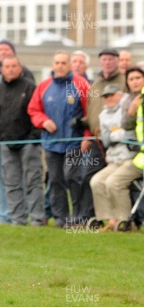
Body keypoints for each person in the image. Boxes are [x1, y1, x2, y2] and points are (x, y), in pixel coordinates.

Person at [28, 51, 90, 227]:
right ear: (52, 65)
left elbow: (90, 113)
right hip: (51, 143)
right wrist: (43, 121)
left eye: (64, 63)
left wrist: (87, 137)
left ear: (70, 65)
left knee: (73, 178)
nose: (60, 66)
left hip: (74, 142)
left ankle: (79, 217)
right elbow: (33, 110)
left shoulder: (81, 84)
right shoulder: (43, 86)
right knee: (55, 180)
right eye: (57, 63)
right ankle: (60, 218)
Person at [0, 39, 35, 224]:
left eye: (7, 50)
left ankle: (22, 215)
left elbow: (32, 110)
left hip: (23, 139)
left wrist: (30, 137)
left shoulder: (28, 80)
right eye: (0, 50)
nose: (4, 53)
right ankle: (4, 215)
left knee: (24, 178)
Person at [0, 56, 45, 226]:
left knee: (33, 181)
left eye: (14, 66)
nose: (10, 69)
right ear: (2, 69)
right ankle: (17, 219)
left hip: (29, 144)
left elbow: (37, 113)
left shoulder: (30, 88)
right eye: (7, 66)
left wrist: (33, 137)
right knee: (11, 182)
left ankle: (37, 218)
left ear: (20, 68)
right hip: (6, 145)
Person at [79, 48, 126, 221]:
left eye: (111, 59)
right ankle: (91, 218)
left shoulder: (125, 81)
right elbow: (91, 109)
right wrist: (85, 129)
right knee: (89, 177)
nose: (107, 62)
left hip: (119, 140)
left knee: (117, 181)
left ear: (117, 61)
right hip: (96, 139)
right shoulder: (96, 83)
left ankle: (123, 219)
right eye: (104, 59)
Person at [90, 84, 136, 230]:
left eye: (112, 95)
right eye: (106, 96)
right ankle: (109, 219)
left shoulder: (127, 109)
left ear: (120, 95)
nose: (108, 99)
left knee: (113, 182)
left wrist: (114, 135)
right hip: (114, 160)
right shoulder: (103, 115)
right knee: (96, 181)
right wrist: (115, 135)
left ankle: (125, 220)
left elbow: (130, 134)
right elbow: (105, 140)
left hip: (131, 158)